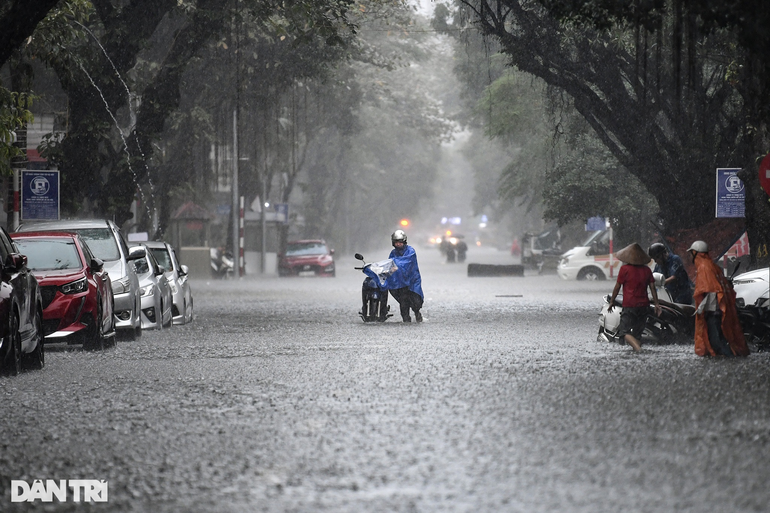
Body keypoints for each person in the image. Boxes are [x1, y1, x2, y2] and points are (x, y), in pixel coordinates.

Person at [688, 240, 749, 357]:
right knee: (718, 337)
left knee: (716, 339)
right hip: (717, 309)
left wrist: (705, 310)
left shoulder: (704, 267)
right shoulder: (711, 266)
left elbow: (710, 290)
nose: (690, 256)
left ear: (696, 253)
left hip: (714, 310)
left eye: (691, 253)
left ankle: (730, 358)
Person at [608, 243, 661, 352]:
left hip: (630, 305)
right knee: (637, 334)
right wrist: (656, 304)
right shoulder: (647, 270)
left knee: (624, 332)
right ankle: (638, 351)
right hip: (644, 306)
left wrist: (612, 301)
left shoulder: (624, 269)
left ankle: (638, 350)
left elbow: (617, 287)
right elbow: (652, 288)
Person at [387, 229, 424, 322]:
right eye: (396, 242)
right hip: (400, 281)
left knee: (415, 301)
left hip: (412, 280)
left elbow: (405, 263)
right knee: (403, 302)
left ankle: (417, 312)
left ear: (404, 241)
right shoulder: (393, 253)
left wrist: (395, 264)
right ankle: (406, 319)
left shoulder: (410, 251)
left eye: (400, 242)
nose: (398, 244)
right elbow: (390, 264)